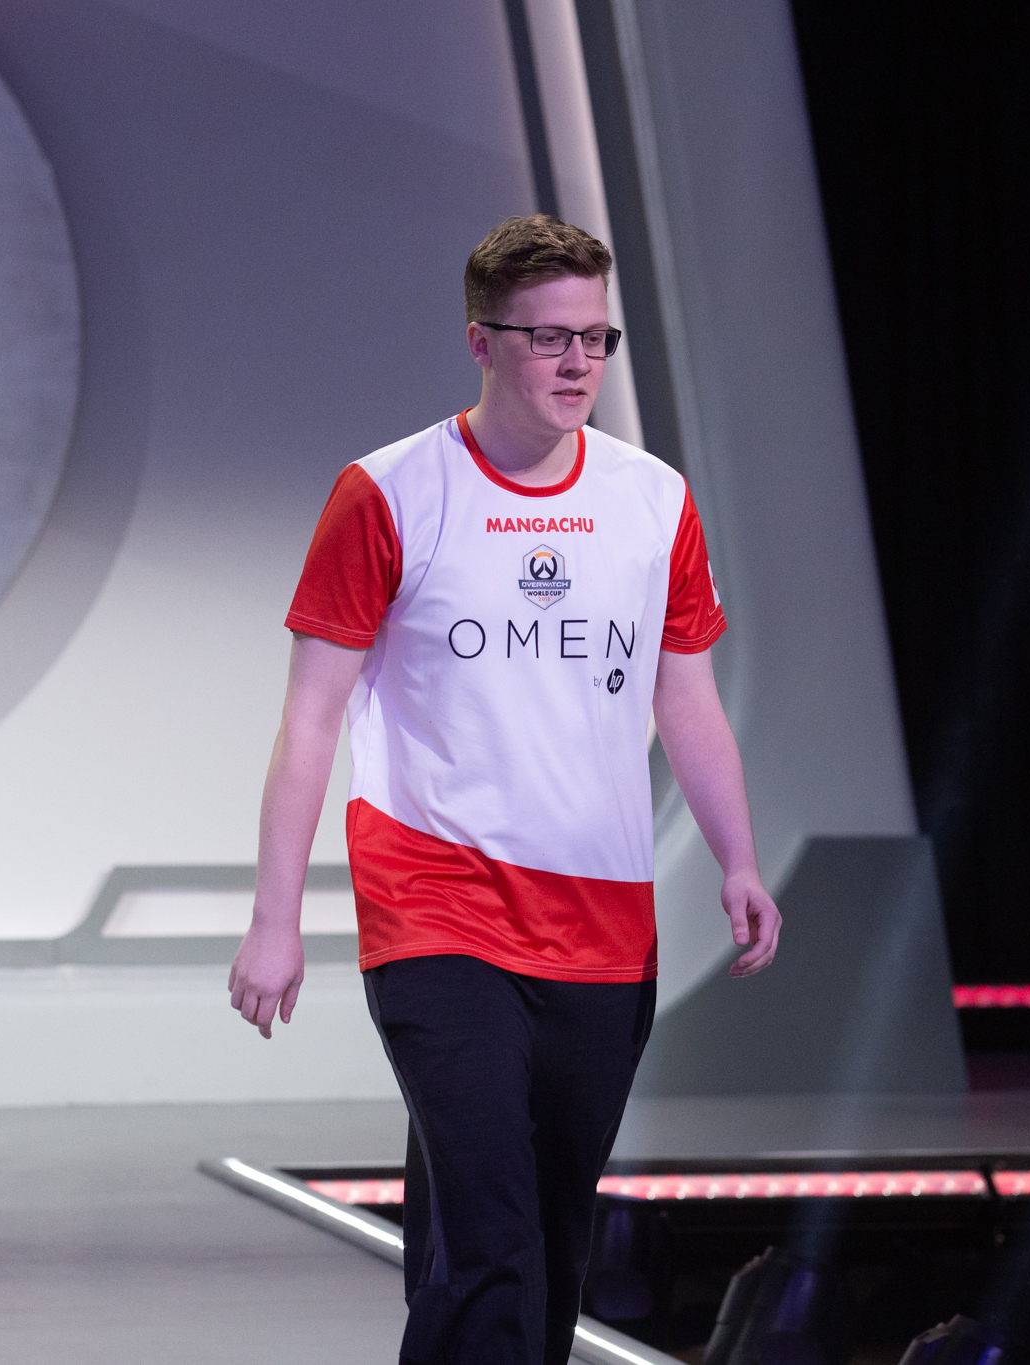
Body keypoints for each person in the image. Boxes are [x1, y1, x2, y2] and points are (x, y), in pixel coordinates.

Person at [227, 214, 783, 1365]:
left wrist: (737, 858)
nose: (577, 364)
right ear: (480, 341)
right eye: (548, 339)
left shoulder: (651, 501)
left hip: (600, 922)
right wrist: (274, 921)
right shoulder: (387, 493)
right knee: (492, 1239)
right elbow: (311, 718)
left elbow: (685, 698)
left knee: (543, 1239)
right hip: (436, 908)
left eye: (595, 338)